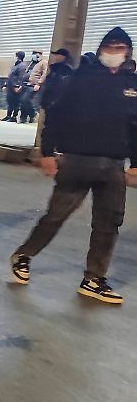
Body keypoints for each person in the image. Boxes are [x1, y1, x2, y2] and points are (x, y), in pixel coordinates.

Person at [10, 28, 137, 305]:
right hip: (78, 160)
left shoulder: (132, 84)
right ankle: (23, 255)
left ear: (127, 51)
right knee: (56, 215)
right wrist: (47, 153)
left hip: (113, 165)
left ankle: (94, 279)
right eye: (110, 47)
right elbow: (56, 114)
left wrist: (135, 165)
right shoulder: (82, 79)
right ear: (101, 49)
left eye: (119, 48)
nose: (114, 52)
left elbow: (135, 126)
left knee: (109, 223)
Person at [4, 51, 29, 123]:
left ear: (18, 57)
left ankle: (14, 117)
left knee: (15, 102)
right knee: (10, 102)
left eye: (16, 56)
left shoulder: (22, 66)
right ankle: (8, 116)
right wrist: (6, 85)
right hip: (10, 86)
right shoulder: (15, 65)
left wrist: (17, 86)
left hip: (15, 87)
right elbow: (10, 76)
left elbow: (21, 77)